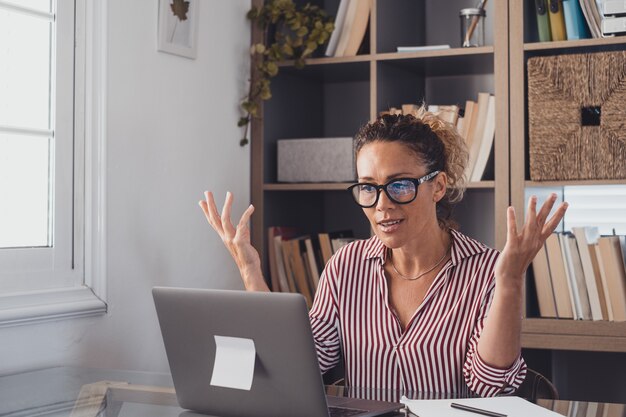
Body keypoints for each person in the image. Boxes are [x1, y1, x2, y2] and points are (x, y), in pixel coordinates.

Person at [199, 108, 568, 397]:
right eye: (368, 188)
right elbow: (301, 364)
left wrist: (510, 279)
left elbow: (490, 385)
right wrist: (250, 271)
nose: (382, 206)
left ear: (437, 186)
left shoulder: (489, 270)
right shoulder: (347, 265)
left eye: (400, 185)